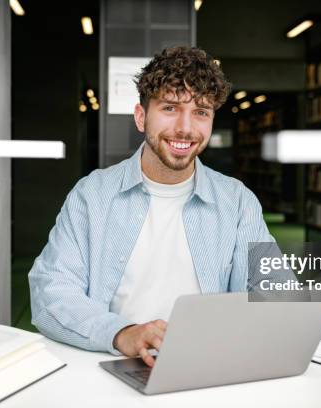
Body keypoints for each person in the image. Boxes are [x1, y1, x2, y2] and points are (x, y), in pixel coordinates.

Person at [29, 45, 278, 367]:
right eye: (170, 108)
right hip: (113, 361)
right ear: (141, 116)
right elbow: (51, 291)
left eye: (201, 112)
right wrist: (122, 333)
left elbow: (273, 288)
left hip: (209, 365)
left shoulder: (238, 201)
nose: (186, 128)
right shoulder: (92, 195)